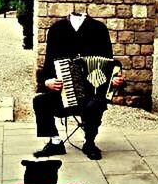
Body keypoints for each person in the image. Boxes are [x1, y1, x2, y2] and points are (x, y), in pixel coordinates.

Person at [32, 12, 124, 160]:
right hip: (64, 94)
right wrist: (47, 82)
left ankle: (89, 143)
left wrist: (114, 81)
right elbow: (49, 63)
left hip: (93, 94)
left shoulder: (99, 29)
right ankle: (55, 142)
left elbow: (110, 64)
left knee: (95, 104)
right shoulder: (57, 29)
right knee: (40, 101)